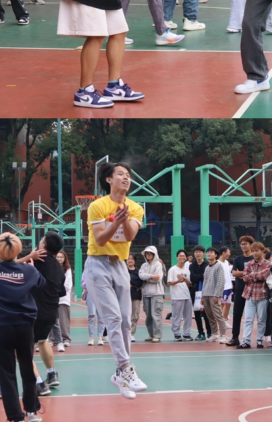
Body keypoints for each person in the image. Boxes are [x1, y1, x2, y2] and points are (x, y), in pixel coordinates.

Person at [83, 162, 147, 399]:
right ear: (109, 179)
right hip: (97, 264)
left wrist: (124, 220)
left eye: (128, 175)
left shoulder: (135, 208)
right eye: (120, 174)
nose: (126, 178)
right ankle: (125, 368)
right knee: (113, 318)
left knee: (126, 322)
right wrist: (117, 222)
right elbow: (100, 239)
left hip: (120, 265)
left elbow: (130, 235)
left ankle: (121, 376)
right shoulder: (98, 206)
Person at [0, 234, 45, 422]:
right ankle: (31, 411)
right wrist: (27, 267)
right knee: (27, 367)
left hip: (2, 326)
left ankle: (15, 416)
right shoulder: (29, 271)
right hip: (25, 325)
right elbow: (41, 284)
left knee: (6, 371)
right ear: (18, 249)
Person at [26, 232, 66, 396]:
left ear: (43, 246)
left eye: (41, 239)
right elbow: (61, 292)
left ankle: (39, 383)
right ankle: (52, 373)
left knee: (21, 349)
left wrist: (29, 257)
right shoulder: (59, 268)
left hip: (33, 311)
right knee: (42, 340)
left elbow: (10, 264)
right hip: (51, 312)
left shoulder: (35, 260)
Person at [239, 241, 271, 349]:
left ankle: (259, 340)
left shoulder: (267, 263)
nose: (255, 253)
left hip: (262, 295)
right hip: (249, 294)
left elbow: (264, 275)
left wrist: (252, 275)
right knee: (248, 319)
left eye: (257, 250)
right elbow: (244, 277)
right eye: (253, 251)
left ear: (262, 251)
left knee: (261, 319)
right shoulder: (249, 263)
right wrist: (256, 275)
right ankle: (246, 341)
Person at [227, 236, 254, 345]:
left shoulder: (254, 258)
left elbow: (256, 272)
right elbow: (234, 273)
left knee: (252, 316)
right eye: (242, 244)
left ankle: (256, 339)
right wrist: (248, 273)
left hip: (252, 290)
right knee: (237, 313)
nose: (243, 246)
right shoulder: (237, 259)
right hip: (239, 289)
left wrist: (241, 273)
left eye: (245, 244)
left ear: (251, 245)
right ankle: (235, 338)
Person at [138, 245, 165, 342]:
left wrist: (147, 278)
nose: (148, 255)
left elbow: (158, 279)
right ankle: (151, 334)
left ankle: (157, 335)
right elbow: (141, 275)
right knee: (148, 315)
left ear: (154, 254)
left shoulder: (158, 265)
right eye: (147, 253)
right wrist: (151, 276)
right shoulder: (143, 265)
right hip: (146, 294)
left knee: (156, 315)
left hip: (157, 294)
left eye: (150, 253)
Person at [166, 249, 193, 341]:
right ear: (177, 257)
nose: (182, 257)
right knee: (177, 316)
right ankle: (176, 333)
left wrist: (185, 279)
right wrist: (178, 281)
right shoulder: (172, 269)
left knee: (188, 316)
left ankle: (186, 334)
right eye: (180, 256)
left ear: (186, 258)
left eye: (183, 256)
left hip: (187, 295)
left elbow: (189, 284)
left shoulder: (187, 270)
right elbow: (169, 283)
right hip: (177, 296)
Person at [49, 250, 73, 351]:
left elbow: (67, 285)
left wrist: (58, 291)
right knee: (52, 320)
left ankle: (65, 339)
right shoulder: (51, 268)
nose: (59, 259)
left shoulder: (67, 269)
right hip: (52, 298)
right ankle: (52, 339)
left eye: (61, 257)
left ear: (64, 259)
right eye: (58, 257)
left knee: (64, 320)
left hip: (63, 299)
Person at [188, 245, 211, 341]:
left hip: (206, 291)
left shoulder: (207, 264)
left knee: (206, 313)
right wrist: (202, 276)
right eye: (196, 252)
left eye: (200, 252)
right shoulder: (192, 265)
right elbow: (193, 278)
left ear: (203, 253)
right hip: (195, 291)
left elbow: (207, 277)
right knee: (197, 313)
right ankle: (201, 333)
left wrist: (199, 276)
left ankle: (209, 332)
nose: (198, 254)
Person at [126, 254, 142, 342]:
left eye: (132, 259)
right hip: (124, 295)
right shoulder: (123, 271)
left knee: (135, 315)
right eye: (128, 259)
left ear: (135, 261)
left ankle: (131, 333)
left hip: (136, 295)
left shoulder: (139, 272)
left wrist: (131, 283)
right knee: (125, 314)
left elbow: (139, 283)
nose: (130, 260)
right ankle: (125, 332)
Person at [219, 248, 234, 325]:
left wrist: (230, 283)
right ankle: (221, 323)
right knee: (222, 304)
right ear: (223, 252)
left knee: (228, 304)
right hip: (222, 287)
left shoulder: (227, 262)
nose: (229, 254)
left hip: (228, 287)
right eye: (228, 252)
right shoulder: (217, 263)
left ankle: (224, 321)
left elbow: (228, 274)